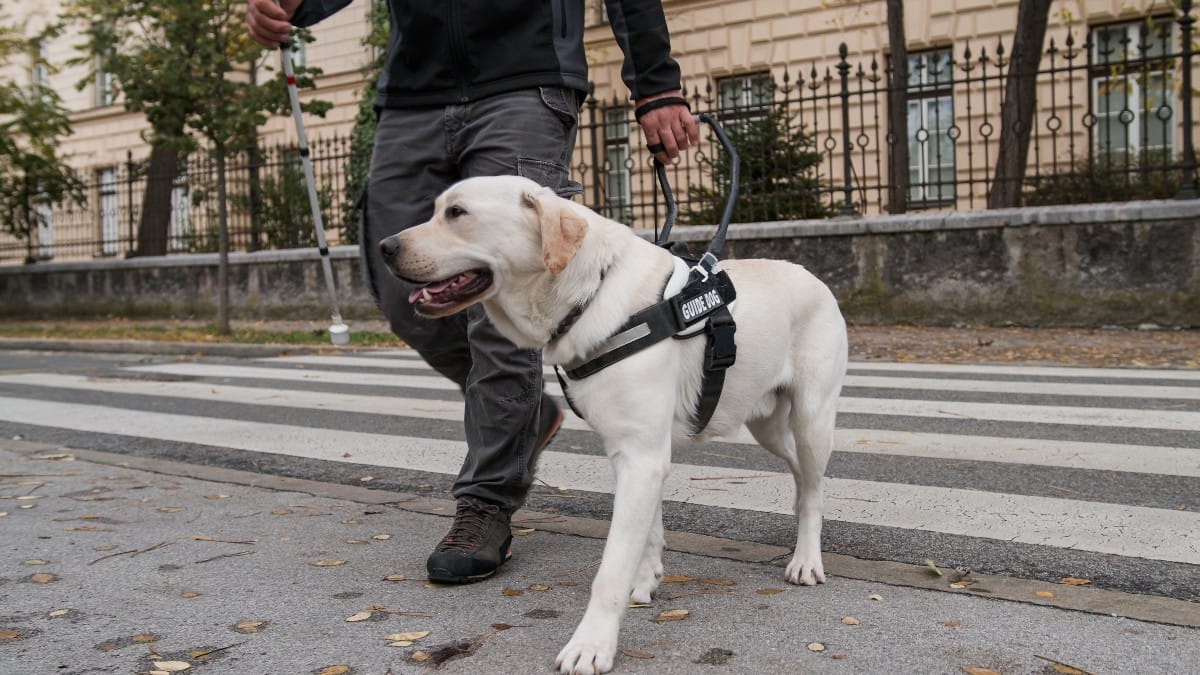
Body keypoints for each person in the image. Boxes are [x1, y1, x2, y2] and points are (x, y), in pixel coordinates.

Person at [247, 0, 698, 584]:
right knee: (405, 291)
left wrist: (656, 85)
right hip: (414, 88)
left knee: (504, 301)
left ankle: (486, 500)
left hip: (526, 78)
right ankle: (519, 417)